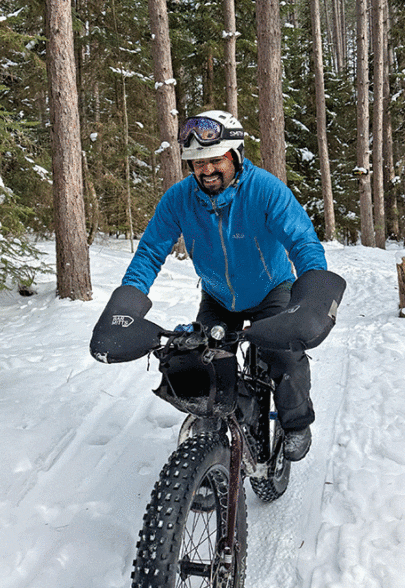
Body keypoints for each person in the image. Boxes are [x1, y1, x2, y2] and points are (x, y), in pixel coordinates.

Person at [92, 110, 343, 462]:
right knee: (204, 362)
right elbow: (149, 252)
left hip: (271, 290)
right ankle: (218, 441)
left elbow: (302, 242)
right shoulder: (179, 199)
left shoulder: (266, 190)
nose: (205, 170)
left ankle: (296, 424)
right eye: (196, 163)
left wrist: (313, 294)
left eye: (214, 160)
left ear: (235, 156)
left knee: (284, 358)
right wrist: (127, 304)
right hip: (219, 297)